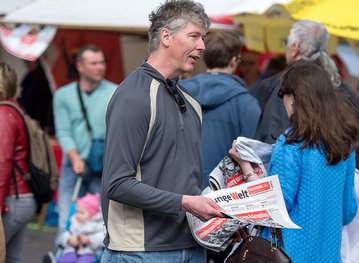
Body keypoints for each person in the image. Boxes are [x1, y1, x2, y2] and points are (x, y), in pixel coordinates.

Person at [100, 1, 226, 262]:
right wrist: (186, 203)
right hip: (140, 252)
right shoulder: (133, 97)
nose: (202, 46)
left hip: (192, 245)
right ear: (166, 36)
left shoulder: (191, 102)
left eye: (203, 38)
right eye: (194, 36)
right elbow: (116, 183)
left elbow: (184, 181)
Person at [229, 62, 359, 262]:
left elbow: (274, 206)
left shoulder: (292, 142)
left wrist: (246, 167)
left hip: (288, 255)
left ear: (293, 98)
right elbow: (348, 211)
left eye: (282, 95)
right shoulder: (344, 144)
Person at [250, 19, 359, 174]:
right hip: (339, 184)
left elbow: (271, 146)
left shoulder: (288, 87)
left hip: (293, 185)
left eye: (287, 43)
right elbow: (357, 154)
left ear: (295, 48)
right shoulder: (345, 90)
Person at [53, 45, 116, 247]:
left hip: (102, 166)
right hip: (74, 164)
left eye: (102, 62)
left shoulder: (115, 92)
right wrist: (74, 158)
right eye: (94, 63)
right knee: (66, 217)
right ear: (80, 66)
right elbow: (63, 131)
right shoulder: (63, 95)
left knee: (100, 220)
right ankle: (62, 256)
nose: (100, 67)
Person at [180, 30, 261, 188]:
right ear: (234, 61)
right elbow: (255, 157)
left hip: (182, 194)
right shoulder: (246, 103)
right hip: (227, 196)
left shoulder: (178, 93)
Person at [0, 63, 37, 262]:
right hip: (21, 198)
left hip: (12, 199)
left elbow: (2, 164)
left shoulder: (3, 114)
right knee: (12, 258)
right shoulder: (14, 110)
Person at [57, 193, 103, 263]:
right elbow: (65, 234)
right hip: (72, 250)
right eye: (76, 212)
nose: (77, 215)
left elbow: (102, 239)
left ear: (92, 213)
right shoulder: (74, 222)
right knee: (67, 259)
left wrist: (89, 239)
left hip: (89, 253)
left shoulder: (98, 225)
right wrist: (69, 240)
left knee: (83, 261)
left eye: (81, 212)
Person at [18, 59, 55, 135]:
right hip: (32, 121)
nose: (27, 64)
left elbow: (49, 101)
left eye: (29, 61)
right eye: (25, 62)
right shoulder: (28, 78)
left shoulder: (44, 77)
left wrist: (49, 124)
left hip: (44, 121)